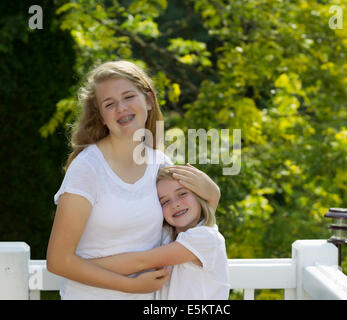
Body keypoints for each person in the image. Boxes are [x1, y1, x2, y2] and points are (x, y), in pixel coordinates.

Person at [46, 60, 221, 300]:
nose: (121, 108)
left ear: (148, 100)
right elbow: (58, 262)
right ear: (101, 117)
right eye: (109, 104)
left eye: (129, 96)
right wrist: (129, 286)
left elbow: (186, 237)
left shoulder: (161, 164)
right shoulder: (87, 168)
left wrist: (212, 198)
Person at [89, 167, 230, 300]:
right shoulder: (168, 236)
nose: (175, 204)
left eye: (182, 194)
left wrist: (81, 267)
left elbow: (140, 262)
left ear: (199, 197)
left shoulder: (206, 238)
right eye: (165, 202)